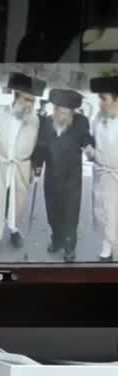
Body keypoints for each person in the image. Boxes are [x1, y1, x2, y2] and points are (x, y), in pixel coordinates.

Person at [0, 72, 46, 263]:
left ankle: (14, 229)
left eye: (33, 100)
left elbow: (37, 145)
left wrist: (35, 168)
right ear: (16, 96)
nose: (30, 104)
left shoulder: (35, 120)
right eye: (27, 99)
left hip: (21, 168)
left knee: (16, 203)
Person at [32, 88, 92, 262]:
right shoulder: (46, 122)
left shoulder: (81, 122)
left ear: (72, 112)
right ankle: (57, 240)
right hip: (51, 177)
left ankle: (69, 247)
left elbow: (86, 137)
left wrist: (89, 146)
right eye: (60, 112)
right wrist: (37, 167)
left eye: (66, 113)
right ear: (55, 109)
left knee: (70, 214)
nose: (63, 116)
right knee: (53, 213)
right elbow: (41, 146)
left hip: (72, 179)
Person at [86, 76, 118, 263]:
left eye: (103, 98)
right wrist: (90, 152)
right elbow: (92, 143)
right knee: (105, 212)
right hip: (103, 174)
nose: (100, 103)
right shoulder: (98, 119)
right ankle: (107, 249)